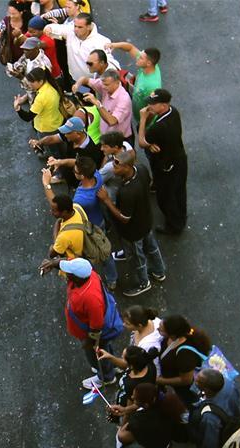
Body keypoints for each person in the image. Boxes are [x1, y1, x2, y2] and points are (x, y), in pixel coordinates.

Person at [98, 150, 166, 296]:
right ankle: (159, 272)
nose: (113, 169)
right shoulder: (141, 169)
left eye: (117, 166)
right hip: (146, 220)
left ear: (127, 167)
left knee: (137, 258)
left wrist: (107, 200)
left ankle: (143, 283)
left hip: (133, 231)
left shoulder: (127, 191)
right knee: (152, 247)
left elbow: (124, 218)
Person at [53, 258, 121, 388]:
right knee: (105, 348)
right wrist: (53, 264)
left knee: (96, 353)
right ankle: (112, 365)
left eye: (69, 273)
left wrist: (88, 342)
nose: (66, 273)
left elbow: (96, 326)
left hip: (90, 335)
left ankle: (106, 377)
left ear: (76, 278)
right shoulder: (90, 274)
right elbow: (68, 264)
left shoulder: (91, 299)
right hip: (87, 329)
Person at [139, 89, 188, 235]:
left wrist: (142, 119)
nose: (149, 106)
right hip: (179, 159)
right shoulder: (174, 112)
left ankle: (174, 226)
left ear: (164, 105)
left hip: (167, 166)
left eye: (153, 104)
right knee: (179, 192)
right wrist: (150, 144)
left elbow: (141, 141)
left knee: (166, 197)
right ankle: (181, 216)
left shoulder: (159, 127)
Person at [190, 369, 240, 448]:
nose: (195, 378)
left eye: (198, 380)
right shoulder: (229, 384)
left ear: (207, 390)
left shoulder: (209, 417)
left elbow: (209, 445)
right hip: (232, 435)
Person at [156, 315, 212, 405]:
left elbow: (185, 380)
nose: (157, 329)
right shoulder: (173, 338)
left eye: (161, 329)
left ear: (172, 334)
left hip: (185, 391)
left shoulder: (185, 355)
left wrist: (160, 381)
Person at [44, 12, 112, 82]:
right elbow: (58, 28)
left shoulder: (101, 41)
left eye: (80, 27)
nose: (76, 29)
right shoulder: (71, 32)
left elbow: (109, 63)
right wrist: (49, 28)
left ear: (89, 27)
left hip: (92, 82)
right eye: (75, 26)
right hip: (73, 78)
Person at [75, 69, 133, 140]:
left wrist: (97, 104)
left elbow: (112, 121)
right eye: (103, 84)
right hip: (106, 136)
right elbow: (85, 79)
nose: (103, 87)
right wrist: (77, 85)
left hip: (119, 140)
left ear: (117, 82)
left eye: (106, 85)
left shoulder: (123, 99)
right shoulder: (104, 83)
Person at [13, 68, 64, 149]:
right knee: (58, 144)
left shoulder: (41, 98)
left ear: (40, 81)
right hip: (57, 121)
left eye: (32, 82)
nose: (29, 84)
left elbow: (28, 117)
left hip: (45, 128)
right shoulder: (51, 85)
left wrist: (18, 108)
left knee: (51, 149)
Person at [107, 42, 162, 115]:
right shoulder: (150, 66)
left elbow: (153, 110)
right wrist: (114, 45)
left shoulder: (151, 86)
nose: (137, 57)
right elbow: (130, 48)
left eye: (141, 58)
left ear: (148, 63)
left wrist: (142, 123)